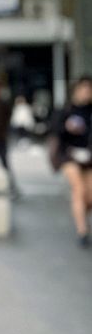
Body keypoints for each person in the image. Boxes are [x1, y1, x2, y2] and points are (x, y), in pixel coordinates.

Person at [49, 75, 92, 247]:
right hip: (68, 156)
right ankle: (82, 231)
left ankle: (80, 213)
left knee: (89, 196)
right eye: (83, 89)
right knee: (78, 189)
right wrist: (67, 128)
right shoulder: (65, 111)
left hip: (89, 157)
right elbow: (54, 132)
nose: (86, 92)